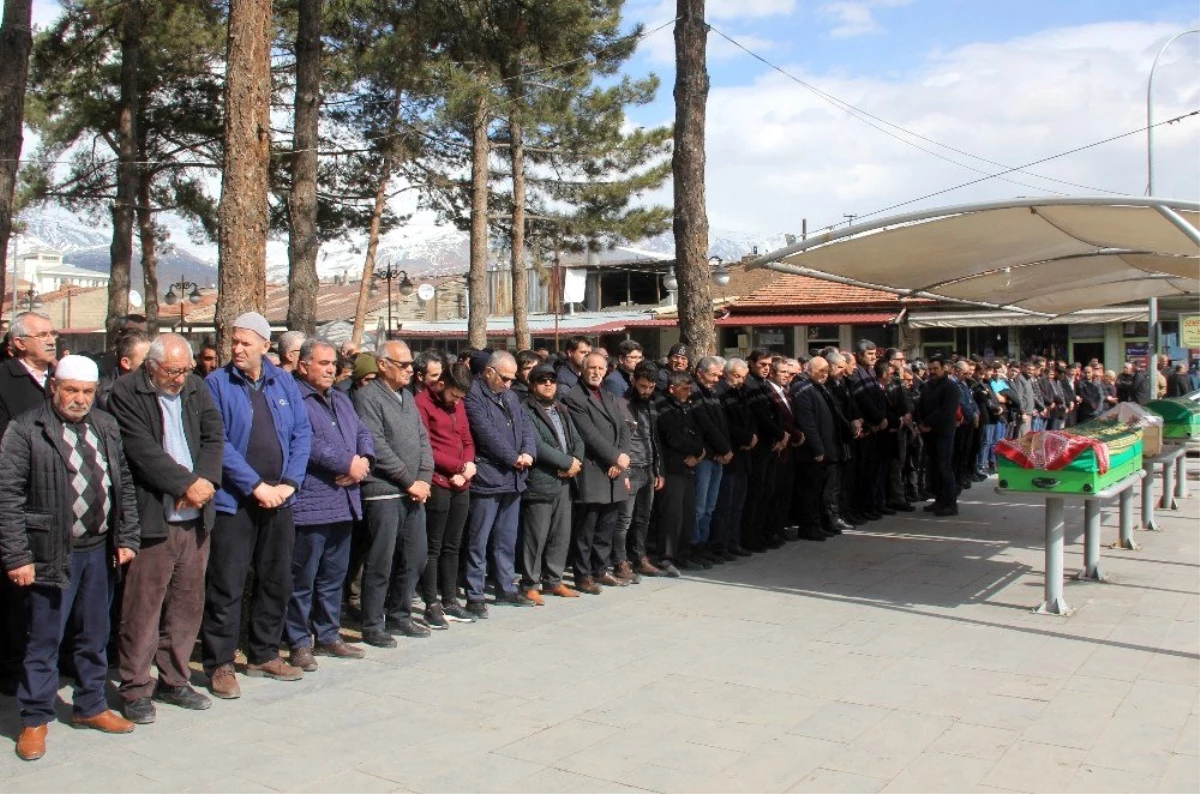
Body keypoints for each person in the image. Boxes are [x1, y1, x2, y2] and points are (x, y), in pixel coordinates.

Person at [0, 355, 140, 761]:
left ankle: (91, 705)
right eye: (71, 390)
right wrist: (16, 556)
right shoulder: (26, 430)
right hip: (49, 553)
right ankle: (35, 717)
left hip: (98, 550)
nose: (79, 399)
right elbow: (6, 497)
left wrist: (126, 536)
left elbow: (123, 483)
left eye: (87, 392)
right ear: (54, 388)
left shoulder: (106, 426)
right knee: (44, 639)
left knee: (95, 634)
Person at [108, 334, 224, 724]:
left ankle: (175, 679)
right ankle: (136, 686)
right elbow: (140, 450)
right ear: (152, 366)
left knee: (187, 604)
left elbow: (213, 437)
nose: (180, 378)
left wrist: (203, 483)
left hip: (196, 517)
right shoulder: (127, 392)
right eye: (173, 371)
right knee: (143, 608)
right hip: (154, 517)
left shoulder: (195, 386)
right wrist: (183, 485)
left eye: (185, 369)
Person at [201, 312, 313, 698]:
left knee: (276, 578)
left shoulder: (283, 381)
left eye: (245, 342)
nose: (237, 349)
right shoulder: (216, 383)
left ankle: (264, 652)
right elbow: (218, 442)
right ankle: (220, 663)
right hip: (236, 502)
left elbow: (301, 434)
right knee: (226, 583)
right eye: (234, 342)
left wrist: (289, 483)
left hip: (280, 499)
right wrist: (254, 486)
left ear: (266, 346)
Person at [285, 339, 374, 671]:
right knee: (303, 577)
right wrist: (345, 464)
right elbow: (305, 441)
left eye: (332, 363)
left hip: (344, 500)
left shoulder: (340, 398)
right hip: (312, 501)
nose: (330, 369)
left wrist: (363, 460)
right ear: (304, 365)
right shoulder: (295, 397)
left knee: (333, 575)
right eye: (322, 363)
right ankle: (298, 641)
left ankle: (328, 633)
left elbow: (363, 432)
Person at [354, 340, 435, 646]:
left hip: (415, 490)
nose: (409, 370)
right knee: (381, 560)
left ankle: (400, 614)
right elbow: (375, 443)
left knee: (415, 556)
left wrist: (424, 477)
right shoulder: (367, 397)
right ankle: (373, 622)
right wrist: (407, 479)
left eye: (411, 365)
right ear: (383, 364)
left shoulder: (407, 398)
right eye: (403, 365)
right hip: (385, 491)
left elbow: (422, 439)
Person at [0, 311, 57, 696]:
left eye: (52, 333)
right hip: (19, 499)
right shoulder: (5, 380)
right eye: (42, 334)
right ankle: (9, 668)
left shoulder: (60, 380)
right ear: (19, 343)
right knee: (14, 593)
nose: (51, 339)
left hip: (59, 500)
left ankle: (55, 658)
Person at [464, 351, 538, 616]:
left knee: (506, 538)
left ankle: (505, 586)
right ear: (489, 372)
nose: (508, 384)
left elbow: (525, 426)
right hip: (489, 476)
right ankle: (474, 592)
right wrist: (513, 457)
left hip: (514, 478)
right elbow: (485, 433)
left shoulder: (510, 396)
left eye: (511, 379)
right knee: (479, 538)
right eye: (504, 378)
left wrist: (529, 452)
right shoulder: (473, 395)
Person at [562, 351, 632, 593]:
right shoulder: (574, 397)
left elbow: (623, 428)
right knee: (587, 528)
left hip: (614, 471)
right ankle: (583, 575)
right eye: (592, 367)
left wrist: (620, 459)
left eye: (601, 369)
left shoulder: (608, 396)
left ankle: (600, 569)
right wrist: (614, 457)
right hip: (593, 471)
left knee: (607, 526)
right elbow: (589, 434)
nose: (596, 372)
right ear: (582, 369)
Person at [414, 362, 478, 627]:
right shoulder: (422, 403)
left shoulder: (458, 405)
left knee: (453, 545)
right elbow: (426, 445)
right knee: (434, 545)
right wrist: (456, 467)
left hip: (461, 482)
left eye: (461, 398)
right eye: (453, 396)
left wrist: (466, 468)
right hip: (438, 481)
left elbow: (467, 439)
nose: (456, 402)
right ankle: (431, 602)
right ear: (442, 384)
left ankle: (451, 599)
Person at [520, 363, 585, 603]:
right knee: (536, 536)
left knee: (561, 534)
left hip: (566, 481)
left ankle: (554, 580)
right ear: (532, 384)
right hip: (541, 481)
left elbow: (577, 438)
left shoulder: (562, 409)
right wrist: (566, 462)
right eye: (541, 380)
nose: (548, 384)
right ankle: (530, 583)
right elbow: (536, 444)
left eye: (552, 379)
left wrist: (576, 461)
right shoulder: (525, 410)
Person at [613, 362, 664, 579]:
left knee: (644, 517)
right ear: (634, 381)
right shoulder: (621, 403)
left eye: (651, 387)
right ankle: (620, 560)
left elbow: (655, 438)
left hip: (648, 467)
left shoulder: (651, 404)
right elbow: (618, 440)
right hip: (630, 468)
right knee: (624, 519)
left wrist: (659, 470)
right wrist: (622, 471)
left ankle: (639, 556)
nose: (646, 391)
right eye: (643, 386)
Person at [655, 371, 706, 575]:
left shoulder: (686, 407)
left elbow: (697, 431)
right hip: (673, 467)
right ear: (672, 388)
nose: (689, 391)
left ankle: (683, 554)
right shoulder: (664, 407)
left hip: (688, 467)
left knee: (688, 513)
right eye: (685, 388)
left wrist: (700, 452)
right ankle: (666, 557)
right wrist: (695, 450)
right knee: (672, 516)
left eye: (690, 387)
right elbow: (673, 437)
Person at [710, 358, 755, 559]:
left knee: (737, 503)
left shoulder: (741, 392)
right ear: (726, 373)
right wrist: (745, 438)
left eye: (743, 377)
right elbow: (725, 424)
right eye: (736, 376)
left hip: (744, 455)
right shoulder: (719, 393)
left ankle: (733, 541)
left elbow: (749, 417)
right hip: (729, 454)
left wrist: (752, 437)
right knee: (724, 505)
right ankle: (720, 544)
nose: (740, 380)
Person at [690, 356, 733, 563]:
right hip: (705, 456)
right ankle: (693, 545)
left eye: (718, 375)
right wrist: (722, 448)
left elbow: (722, 424)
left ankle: (704, 543)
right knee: (699, 506)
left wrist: (726, 449)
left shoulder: (713, 393)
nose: (716, 379)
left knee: (710, 506)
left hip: (718, 456)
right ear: (699, 373)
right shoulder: (694, 392)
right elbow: (704, 425)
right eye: (712, 374)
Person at [919, 356, 960, 517]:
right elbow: (920, 405)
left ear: (944, 368)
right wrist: (920, 422)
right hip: (929, 434)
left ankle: (951, 503)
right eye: (930, 369)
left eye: (936, 368)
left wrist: (927, 422)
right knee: (934, 468)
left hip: (943, 433)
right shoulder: (928, 386)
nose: (933, 372)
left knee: (944, 467)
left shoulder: (951, 387)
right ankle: (939, 499)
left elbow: (946, 411)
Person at [95, 331, 150, 411]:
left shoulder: (158, 387)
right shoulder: (101, 393)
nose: (152, 364)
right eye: (146, 360)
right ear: (126, 363)